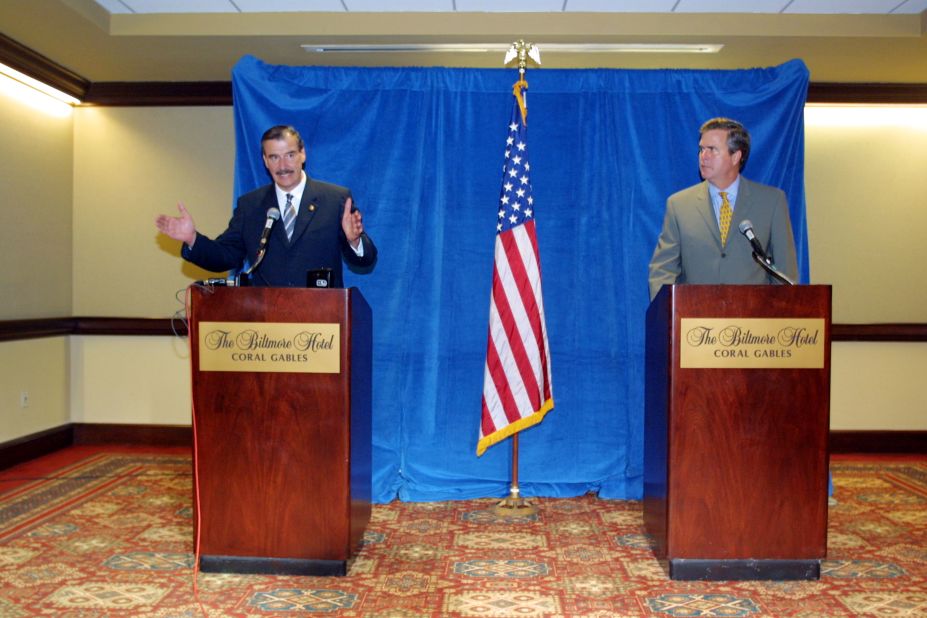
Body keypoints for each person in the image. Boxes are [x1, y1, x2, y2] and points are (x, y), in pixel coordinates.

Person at [156, 125, 377, 287]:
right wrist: (192, 238)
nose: (283, 166)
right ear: (264, 160)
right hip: (267, 328)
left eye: (290, 155)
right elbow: (226, 256)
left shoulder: (335, 199)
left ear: (303, 154)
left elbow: (366, 259)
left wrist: (354, 240)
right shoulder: (251, 205)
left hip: (323, 326)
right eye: (274, 157)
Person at [648, 117, 798, 301]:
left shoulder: (772, 201)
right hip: (696, 322)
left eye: (712, 150)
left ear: (736, 156)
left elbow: (784, 273)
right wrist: (668, 315)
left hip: (753, 322)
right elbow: (663, 269)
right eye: (702, 149)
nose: (704, 156)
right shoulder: (679, 205)